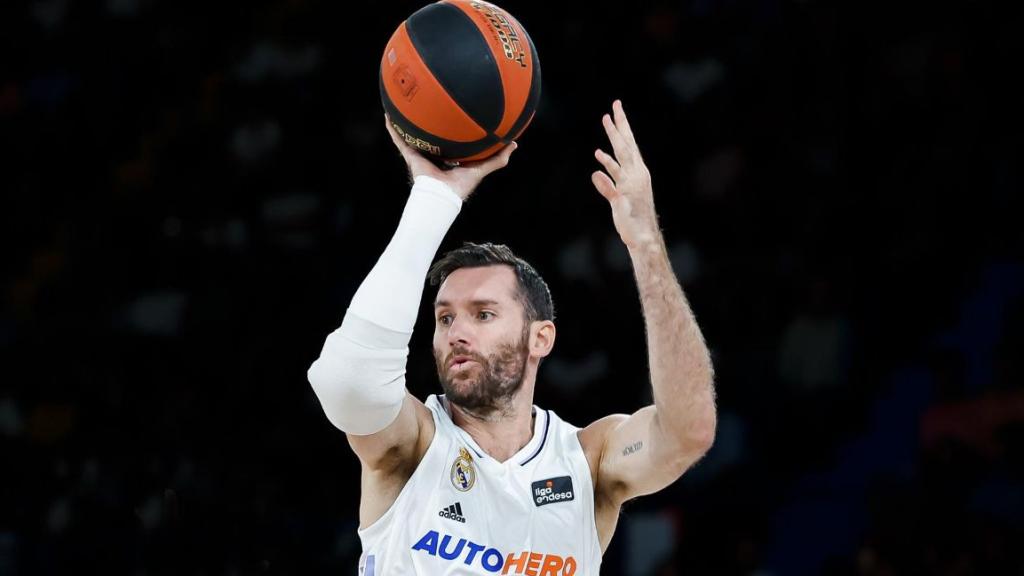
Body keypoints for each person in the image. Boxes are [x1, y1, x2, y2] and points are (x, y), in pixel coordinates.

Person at [307, 100, 716, 575]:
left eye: (483, 314)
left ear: (540, 338)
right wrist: (434, 201)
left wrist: (645, 246)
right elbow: (349, 383)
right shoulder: (415, 444)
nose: (457, 332)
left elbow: (688, 431)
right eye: (444, 319)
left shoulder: (588, 461)